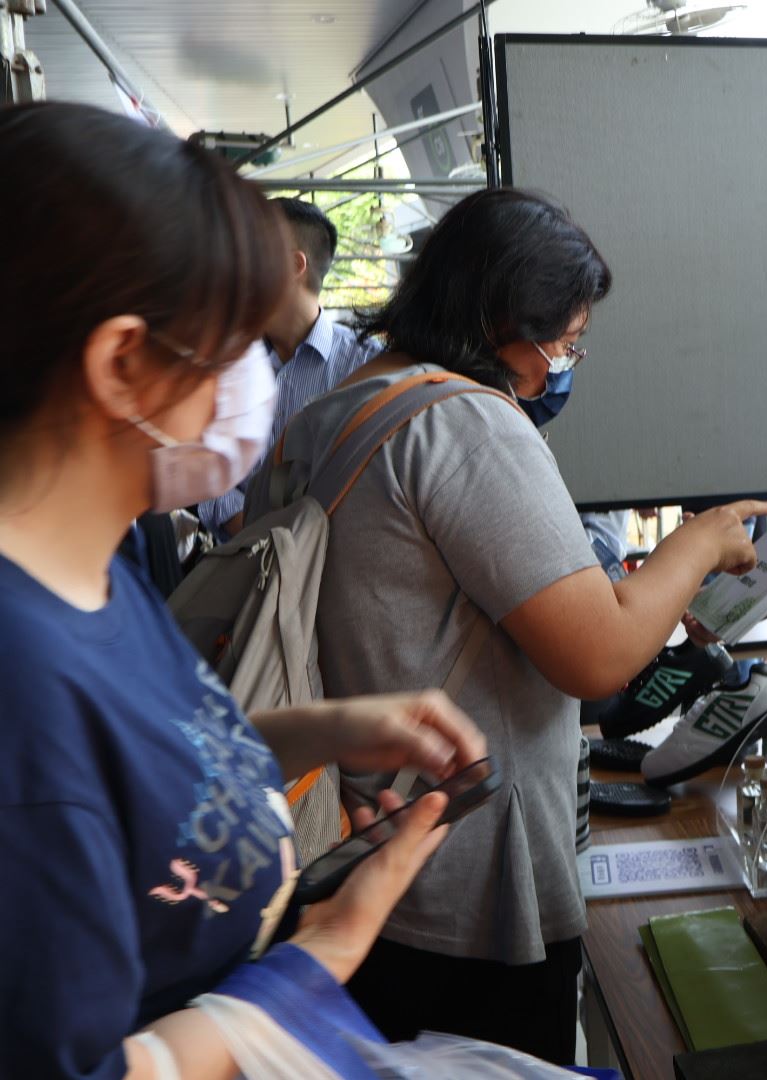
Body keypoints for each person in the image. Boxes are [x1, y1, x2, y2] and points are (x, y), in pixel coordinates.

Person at [0, 101, 486, 1079]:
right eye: (229, 348)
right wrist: (318, 960)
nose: (252, 383)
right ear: (121, 363)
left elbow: (140, 775)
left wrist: (323, 730)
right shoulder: (21, 686)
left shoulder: (94, 562)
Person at [251, 187, 767, 1063]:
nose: (561, 367)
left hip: (357, 861)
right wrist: (701, 542)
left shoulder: (322, 419)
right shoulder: (464, 422)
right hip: (468, 884)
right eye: (563, 342)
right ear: (504, 319)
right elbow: (598, 655)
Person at [197, 197, 381, 542]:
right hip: (238, 561)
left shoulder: (367, 365)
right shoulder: (224, 362)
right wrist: (255, 535)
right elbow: (204, 463)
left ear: (295, 265)